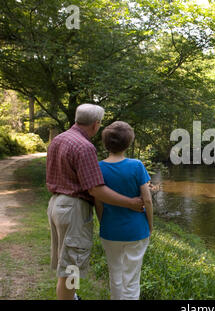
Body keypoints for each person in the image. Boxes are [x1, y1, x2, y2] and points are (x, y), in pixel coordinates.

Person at [46, 104, 144, 300]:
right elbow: (95, 189)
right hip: (73, 209)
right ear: (96, 124)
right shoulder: (85, 146)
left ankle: (71, 297)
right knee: (71, 269)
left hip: (56, 205)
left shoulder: (58, 139)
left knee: (65, 266)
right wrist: (131, 202)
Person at [95, 121, 153, 300]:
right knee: (132, 280)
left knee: (115, 275)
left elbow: (99, 201)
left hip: (110, 231)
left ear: (106, 144)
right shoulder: (136, 166)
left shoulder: (99, 167)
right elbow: (148, 200)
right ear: (128, 143)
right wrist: (150, 225)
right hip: (136, 230)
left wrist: (103, 222)